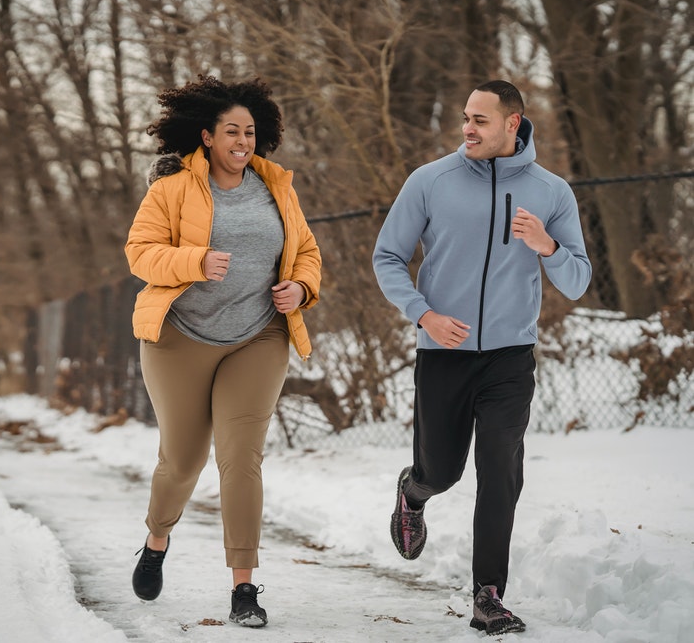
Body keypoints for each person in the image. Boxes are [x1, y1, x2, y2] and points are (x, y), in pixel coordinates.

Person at [372, 80, 591, 635]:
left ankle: (488, 594)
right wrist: (424, 315)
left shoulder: (551, 192)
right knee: (442, 471)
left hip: (510, 357)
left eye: (481, 120)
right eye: (465, 118)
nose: (467, 128)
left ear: (513, 123)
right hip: (443, 352)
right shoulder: (430, 181)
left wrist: (548, 247)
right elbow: (388, 256)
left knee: (500, 471)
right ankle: (413, 491)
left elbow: (579, 280)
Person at [124, 74, 321, 628]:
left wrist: (301, 288)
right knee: (183, 460)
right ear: (207, 136)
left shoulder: (276, 187)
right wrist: (194, 262)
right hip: (179, 337)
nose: (243, 140)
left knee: (241, 460)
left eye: (250, 131)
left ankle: (243, 588)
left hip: (258, 335)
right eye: (231, 131)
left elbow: (305, 250)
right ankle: (157, 539)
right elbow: (140, 254)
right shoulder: (171, 189)